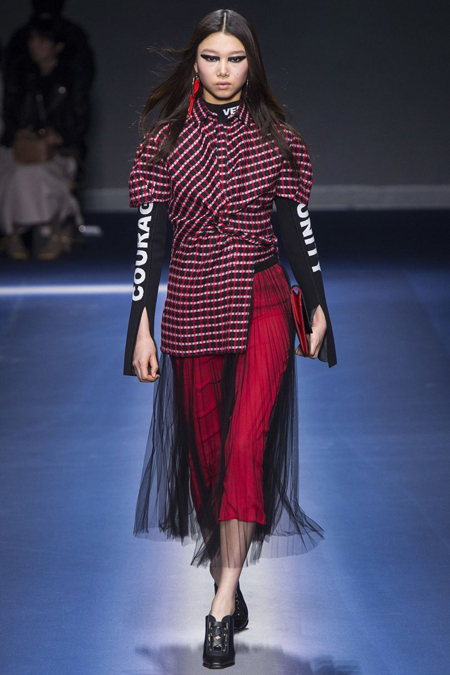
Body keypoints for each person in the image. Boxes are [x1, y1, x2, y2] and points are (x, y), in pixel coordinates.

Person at [123, 9, 337, 669]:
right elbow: (150, 242)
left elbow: (296, 227)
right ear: (195, 63)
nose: (223, 70)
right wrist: (139, 324)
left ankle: (220, 606)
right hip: (191, 299)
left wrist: (318, 303)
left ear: (252, 64)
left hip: (264, 295)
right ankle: (229, 571)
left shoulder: (278, 140)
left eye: (235, 58)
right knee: (209, 459)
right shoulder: (163, 143)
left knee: (247, 444)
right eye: (211, 57)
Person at [0, 13, 91, 260]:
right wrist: (19, 131)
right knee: (12, 172)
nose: (35, 46)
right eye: (32, 40)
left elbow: (81, 120)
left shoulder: (71, 77)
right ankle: (15, 232)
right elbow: (10, 114)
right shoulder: (21, 75)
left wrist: (60, 136)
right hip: (23, 148)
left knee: (38, 174)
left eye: (42, 41)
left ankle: (52, 230)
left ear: (57, 46)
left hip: (61, 151)